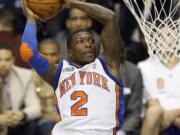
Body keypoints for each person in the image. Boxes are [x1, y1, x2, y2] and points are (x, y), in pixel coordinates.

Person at [20, 0, 124, 135]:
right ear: (69, 51)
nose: (88, 44)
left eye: (91, 41)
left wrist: (72, 3)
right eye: (81, 42)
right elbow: (28, 51)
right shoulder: (58, 72)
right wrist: (31, 20)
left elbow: (110, 17)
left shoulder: (108, 66)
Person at [138, 25, 180, 135]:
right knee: (153, 112)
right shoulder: (145, 67)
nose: (166, 39)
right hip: (160, 121)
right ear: (154, 40)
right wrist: (169, 117)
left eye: (169, 35)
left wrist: (173, 115)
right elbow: (152, 102)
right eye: (160, 35)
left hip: (175, 117)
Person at [0, 43, 41, 135]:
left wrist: (22, 115)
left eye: (7, 59)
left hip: (14, 121)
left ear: (13, 60)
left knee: (33, 125)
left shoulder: (25, 75)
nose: (3, 64)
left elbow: (36, 107)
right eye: (0, 60)